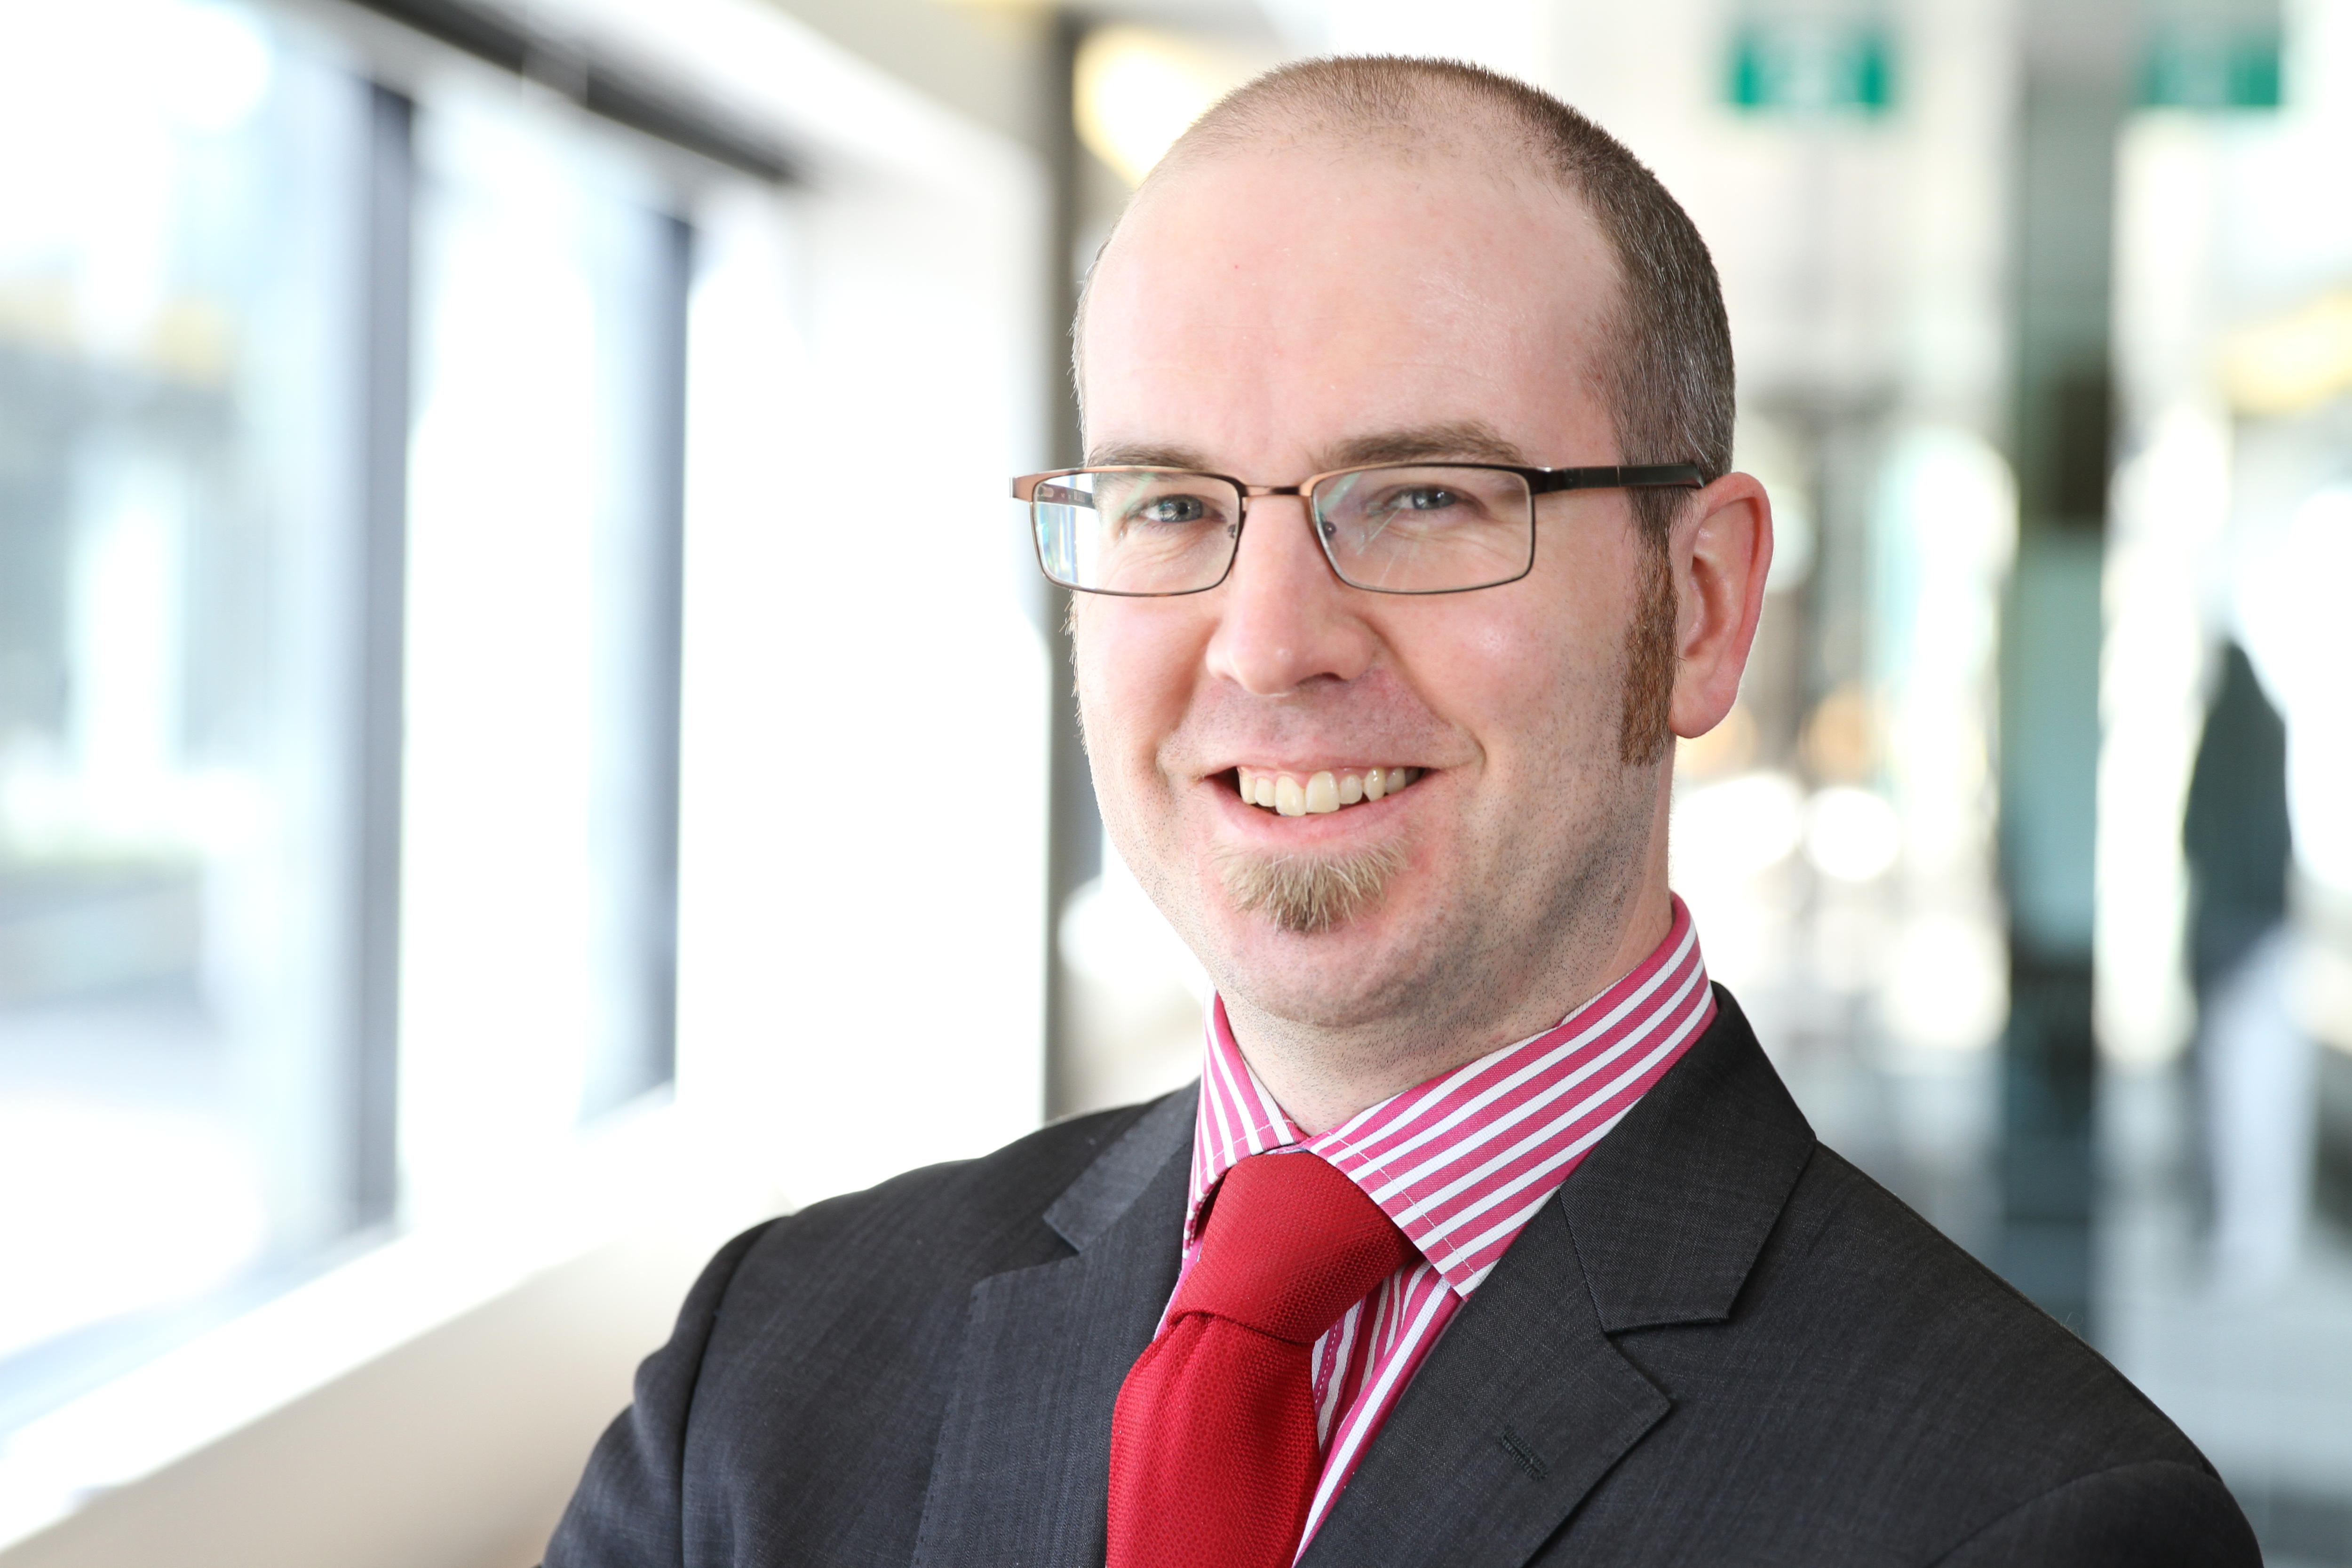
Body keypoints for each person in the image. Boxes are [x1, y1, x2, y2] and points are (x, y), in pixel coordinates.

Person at [546, 56, 2257, 1567]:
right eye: (1166, 503)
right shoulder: (764, 1377)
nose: (1269, 641)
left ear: (1702, 606)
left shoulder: (2032, 1520)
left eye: (1426, 497)